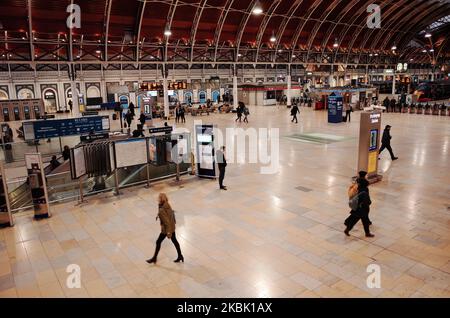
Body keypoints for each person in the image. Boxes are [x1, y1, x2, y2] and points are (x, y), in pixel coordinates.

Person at [146, 193, 184, 264]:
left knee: (158, 242)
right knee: (175, 241)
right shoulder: (167, 205)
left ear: (160, 199)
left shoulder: (162, 210)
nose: (157, 199)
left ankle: (154, 258)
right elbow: (171, 215)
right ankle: (180, 256)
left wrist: (168, 232)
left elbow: (166, 222)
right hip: (172, 227)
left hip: (166, 229)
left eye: (158, 198)